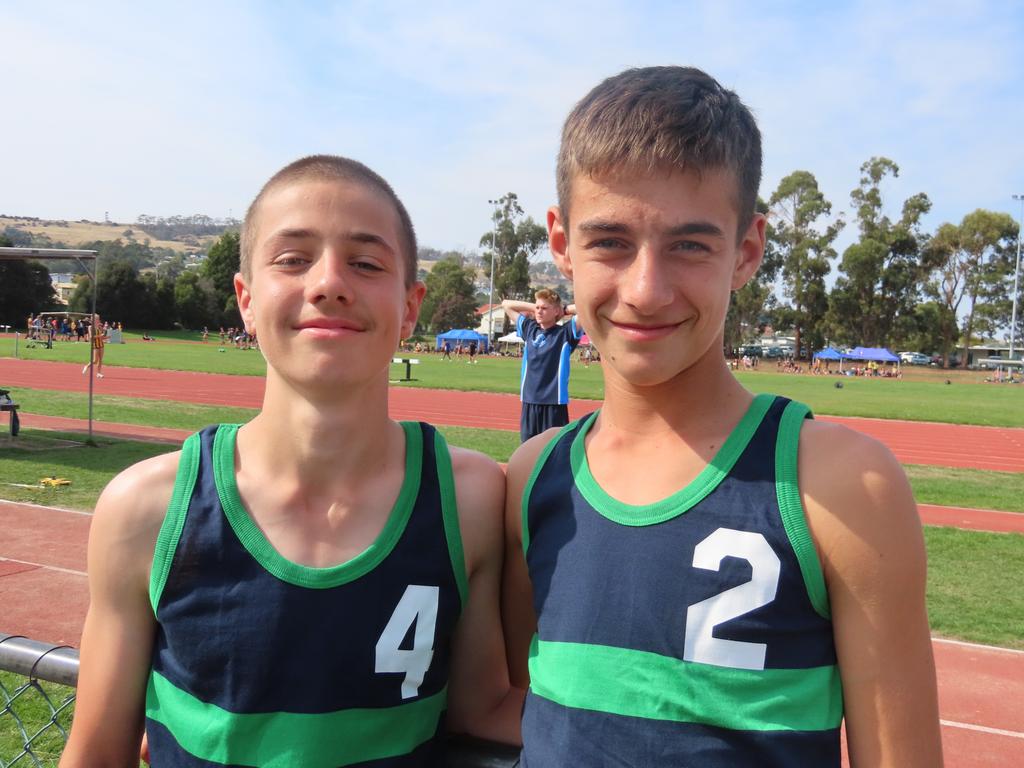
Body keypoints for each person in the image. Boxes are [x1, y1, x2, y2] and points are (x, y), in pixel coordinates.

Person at [501, 66, 942, 767]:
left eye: (690, 244)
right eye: (610, 241)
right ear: (560, 245)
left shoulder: (842, 486)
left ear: (746, 250)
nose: (646, 291)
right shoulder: (532, 479)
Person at [61, 155, 521, 767]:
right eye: (293, 259)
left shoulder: (472, 499)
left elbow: (483, 706)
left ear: (411, 306)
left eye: (366, 262)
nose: (329, 282)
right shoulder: (146, 508)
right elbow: (96, 753)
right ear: (245, 300)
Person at [501, 289, 584, 442]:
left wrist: (564, 310)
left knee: (553, 451)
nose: (539, 311)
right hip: (529, 401)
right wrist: (535, 306)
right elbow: (506, 305)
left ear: (556, 312)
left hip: (554, 403)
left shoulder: (565, 333)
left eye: (544, 308)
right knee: (527, 451)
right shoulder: (529, 328)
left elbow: (587, 309)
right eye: (538, 308)